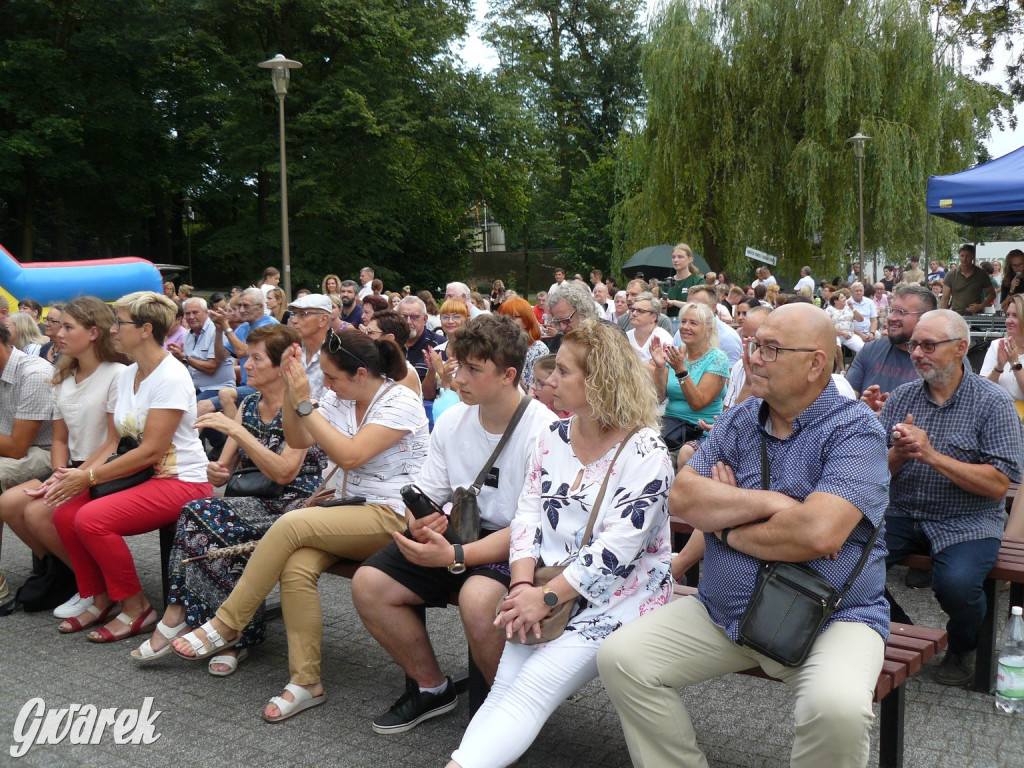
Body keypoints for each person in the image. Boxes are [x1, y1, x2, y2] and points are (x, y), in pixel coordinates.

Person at [599, 303, 890, 768]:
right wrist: (775, 505)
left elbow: (819, 533)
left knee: (836, 709)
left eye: (770, 348)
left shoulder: (857, 431)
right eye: (754, 345)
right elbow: (684, 497)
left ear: (816, 363)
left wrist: (728, 528)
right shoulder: (741, 418)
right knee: (622, 658)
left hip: (830, 616)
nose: (752, 356)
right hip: (724, 610)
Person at [447, 320, 673, 768]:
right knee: (507, 685)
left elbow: (617, 551)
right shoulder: (553, 434)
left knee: (528, 689)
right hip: (544, 588)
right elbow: (527, 514)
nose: (550, 379)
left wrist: (543, 597)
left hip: (618, 597)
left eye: (564, 372)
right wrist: (520, 585)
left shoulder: (646, 453)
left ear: (601, 381)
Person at [351, 314, 557, 735]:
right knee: (369, 584)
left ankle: (513, 711)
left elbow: (530, 527)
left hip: (520, 547)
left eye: (471, 369)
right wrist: (421, 523)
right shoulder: (452, 421)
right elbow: (426, 491)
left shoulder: (545, 431)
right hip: (459, 534)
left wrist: (455, 553)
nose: (456, 377)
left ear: (508, 375)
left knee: (479, 601)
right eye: (455, 364)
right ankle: (432, 688)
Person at [133, 324, 326, 674]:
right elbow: (222, 468)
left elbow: (284, 473)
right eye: (246, 357)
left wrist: (236, 430)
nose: (245, 365)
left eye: (255, 358)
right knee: (205, 520)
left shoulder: (304, 407)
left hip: (295, 505)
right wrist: (216, 471)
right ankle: (228, 635)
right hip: (253, 502)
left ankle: (185, 617)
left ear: (283, 366)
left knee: (202, 515)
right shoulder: (249, 403)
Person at [50, 291, 212, 641]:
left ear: (145, 330)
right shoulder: (129, 374)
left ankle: (137, 607)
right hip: (142, 476)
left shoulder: (170, 375)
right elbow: (112, 443)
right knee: (64, 512)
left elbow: (152, 450)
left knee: (91, 520)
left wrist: (88, 476)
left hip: (182, 479)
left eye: (119, 323)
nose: (112, 330)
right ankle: (101, 597)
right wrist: (69, 477)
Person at [881, 309, 1024, 686]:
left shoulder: (992, 402)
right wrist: (895, 455)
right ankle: (906, 634)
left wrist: (930, 455)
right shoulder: (901, 398)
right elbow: (874, 473)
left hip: (968, 517)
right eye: (914, 345)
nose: (917, 354)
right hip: (903, 510)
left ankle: (962, 646)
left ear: (961, 348)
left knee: (957, 585)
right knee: (846, 560)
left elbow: (997, 485)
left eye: (929, 345)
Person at [0, 298, 127, 614]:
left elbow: (114, 442)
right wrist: (60, 472)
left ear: (94, 333)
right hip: (69, 464)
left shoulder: (117, 374)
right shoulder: (64, 376)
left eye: (68, 327)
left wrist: (75, 475)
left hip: (105, 466)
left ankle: (97, 586)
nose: (55, 332)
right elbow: (60, 438)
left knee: (39, 511)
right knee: (10, 503)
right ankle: (75, 576)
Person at [652, 302, 729, 453]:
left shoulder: (717, 359)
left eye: (693, 323)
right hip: (670, 427)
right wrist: (660, 367)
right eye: (683, 322)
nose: (685, 327)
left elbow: (697, 403)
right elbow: (658, 398)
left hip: (698, 432)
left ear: (708, 331)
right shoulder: (676, 354)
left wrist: (681, 370)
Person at [847, 284, 937, 411]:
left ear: (926, 317)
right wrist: (865, 412)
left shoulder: (944, 359)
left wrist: (892, 416)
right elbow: (847, 400)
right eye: (891, 310)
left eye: (901, 312)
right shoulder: (870, 350)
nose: (891, 318)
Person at [169, 297, 233, 400]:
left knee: (190, 409)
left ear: (206, 312)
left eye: (195, 312)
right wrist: (178, 357)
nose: (191, 317)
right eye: (188, 313)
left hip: (218, 388)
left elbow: (211, 367)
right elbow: (188, 365)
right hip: (195, 388)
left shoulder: (217, 330)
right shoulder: (187, 336)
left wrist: (184, 357)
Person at [981, 293, 1024, 419]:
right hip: (998, 419)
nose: (1008, 321)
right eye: (1008, 315)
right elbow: (983, 391)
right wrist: (998, 367)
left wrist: (1015, 364)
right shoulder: (997, 346)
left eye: (1015, 316)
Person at [496, 297, 549, 389]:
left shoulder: (538, 350)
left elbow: (535, 388)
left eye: (512, 318)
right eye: (502, 318)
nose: (506, 323)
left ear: (526, 321)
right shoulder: (497, 347)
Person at [941, 244, 994, 314]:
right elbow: (945, 298)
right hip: (956, 314)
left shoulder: (981, 274)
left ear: (973, 257)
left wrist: (980, 306)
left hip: (975, 315)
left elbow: (992, 294)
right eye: (962, 256)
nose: (964, 259)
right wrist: (942, 315)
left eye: (967, 256)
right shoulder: (951, 274)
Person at [663, 243, 705, 328]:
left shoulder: (698, 281)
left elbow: (700, 306)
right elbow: (662, 314)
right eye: (673, 257)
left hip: (691, 323)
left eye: (680, 257)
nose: (675, 260)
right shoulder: (667, 282)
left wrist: (674, 302)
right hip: (669, 323)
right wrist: (663, 305)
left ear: (690, 259)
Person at [626, 292, 673, 365]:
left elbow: (659, 372)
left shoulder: (663, 339)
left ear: (653, 317)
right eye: (632, 310)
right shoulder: (625, 337)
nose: (634, 314)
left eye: (640, 311)